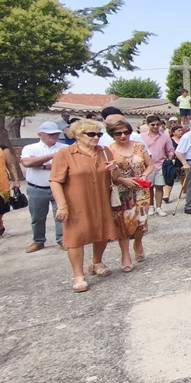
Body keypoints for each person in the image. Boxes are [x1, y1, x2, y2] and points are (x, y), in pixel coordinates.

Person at [50, 119, 123, 293]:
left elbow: (115, 178)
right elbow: (55, 181)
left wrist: (115, 169)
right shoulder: (65, 154)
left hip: (101, 199)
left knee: (102, 233)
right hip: (76, 203)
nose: (96, 137)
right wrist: (62, 205)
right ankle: (78, 275)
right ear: (77, 135)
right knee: (75, 238)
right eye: (91, 134)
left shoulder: (104, 152)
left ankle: (96, 262)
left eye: (99, 134)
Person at [106, 118, 153, 270]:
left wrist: (145, 175)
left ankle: (138, 243)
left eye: (126, 132)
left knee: (141, 223)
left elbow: (150, 165)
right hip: (122, 192)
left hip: (141, 191)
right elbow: (109, 175)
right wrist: (121, 179)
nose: (122, 136)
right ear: (112, 134)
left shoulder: (139, 147)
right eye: (118, 133)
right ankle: (125, 255)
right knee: (123, 225)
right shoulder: (109, 150)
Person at [20, 122, 69, 251]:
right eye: (50, 134)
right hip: (37, 187)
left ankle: (63, 239)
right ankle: (38, 240)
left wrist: (40, 164)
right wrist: (52, 157)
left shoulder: (64, 147)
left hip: (60, 187)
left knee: (61, 214)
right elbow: (27, 162)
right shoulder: (30, 148)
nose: (54, 136)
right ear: (40, 135)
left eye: (56, 134)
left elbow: (67, 166)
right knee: (37, 216)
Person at [140, 115, 174, 217]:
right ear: (148, 125)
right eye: (153, 124)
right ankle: (151, 207)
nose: (155, 126)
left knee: (159, 187)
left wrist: (169, 158)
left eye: (157, 124)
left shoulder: (165, 137)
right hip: (147, 166)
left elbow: (170, 150)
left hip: (161, 165)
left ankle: (159, 207)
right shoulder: (142, 136)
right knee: (149, 187)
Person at [162, 125, 186, 202]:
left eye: (181, 130)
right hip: (172, 161)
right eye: (179, 130)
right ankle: (166, 194)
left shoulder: (184, 139)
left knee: (184, 177)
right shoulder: (169, 140)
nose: (181, 132)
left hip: (183, 161)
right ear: (173, 132)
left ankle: (186, 191)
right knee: (170, 176)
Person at [0, 142, 17, 238]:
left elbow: (11, 165)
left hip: (2, 186)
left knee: (1, 210)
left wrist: (16, 181)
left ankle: (0, 225)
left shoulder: (3, 148)